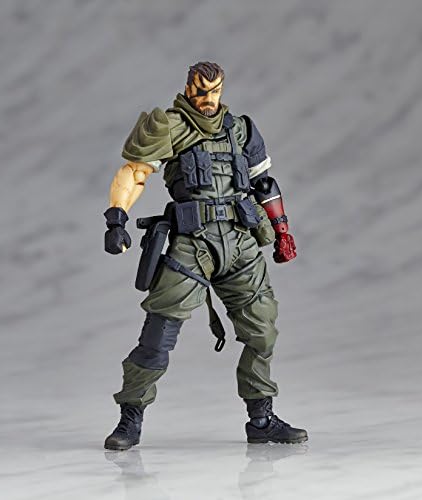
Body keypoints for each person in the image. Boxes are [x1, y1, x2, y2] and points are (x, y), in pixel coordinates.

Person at [103, 61, 308, 450]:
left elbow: (264, 183)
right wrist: (117, 219)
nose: (209, 99)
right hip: (193, 244)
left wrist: (282, 231)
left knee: (262, 331)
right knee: (158, 335)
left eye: (215, 91)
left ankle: (261, 419)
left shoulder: (240, 129)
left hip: (239, 241)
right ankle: (130, 417)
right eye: (201, 91)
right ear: (188, 89)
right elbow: (134, 173)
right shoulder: (169, 126)